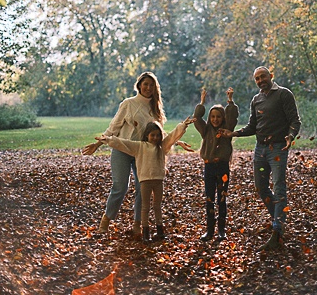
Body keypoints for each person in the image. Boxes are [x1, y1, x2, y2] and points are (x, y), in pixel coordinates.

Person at [81, 72, 192, 237]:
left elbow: (157, 135)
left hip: (143, 154)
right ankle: (106, 220)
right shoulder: (128, 104)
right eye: (145, 84)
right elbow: (114, 127)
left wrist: (177, 141)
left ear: (155, 88)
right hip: (122, 150)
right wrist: (98, 144)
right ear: (139, 85)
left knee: (143, 188)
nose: (148, 88)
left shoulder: (156, 110)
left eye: (151, 85)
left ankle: (138, 224)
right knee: (120, 186)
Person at [221, 66, 301, 251]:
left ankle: (277, 231)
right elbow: (252, 126)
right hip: (260, 149)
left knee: (279, 186)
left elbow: (295, 121)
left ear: (271, 76)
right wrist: (232, 133)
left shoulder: (283, 94)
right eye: (256, 78)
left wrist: (290, 136)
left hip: (279, 148)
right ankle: (278, 220)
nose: (260, 80)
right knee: (261, 187)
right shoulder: (256, 100)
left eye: (262, 76)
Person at [95, 117, 195, 242]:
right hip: (145, 181)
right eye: (152, 135)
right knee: (145, 207)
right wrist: (108, 139)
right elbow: (123, 143)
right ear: (147, 135)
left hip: (158, 181)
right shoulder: (140, 147)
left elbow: (172, 136)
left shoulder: (161, 147)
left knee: (157, 206)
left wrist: (183, 125)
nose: (155, 138)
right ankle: (145, 231)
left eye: (158, 135)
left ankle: (159, 230)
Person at [193, 87, 239, 241]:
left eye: (218, 117)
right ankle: (210, 230)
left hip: (223, 167)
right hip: (209, 167)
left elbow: (232, 115)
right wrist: (202, 103)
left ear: (222, 118)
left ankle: (221, 230)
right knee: (210, 198)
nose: (215, 119)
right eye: (212, 116)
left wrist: (230, 100)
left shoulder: (227, 129)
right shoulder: (205, 130)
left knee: (222, 198)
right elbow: (196, 118)